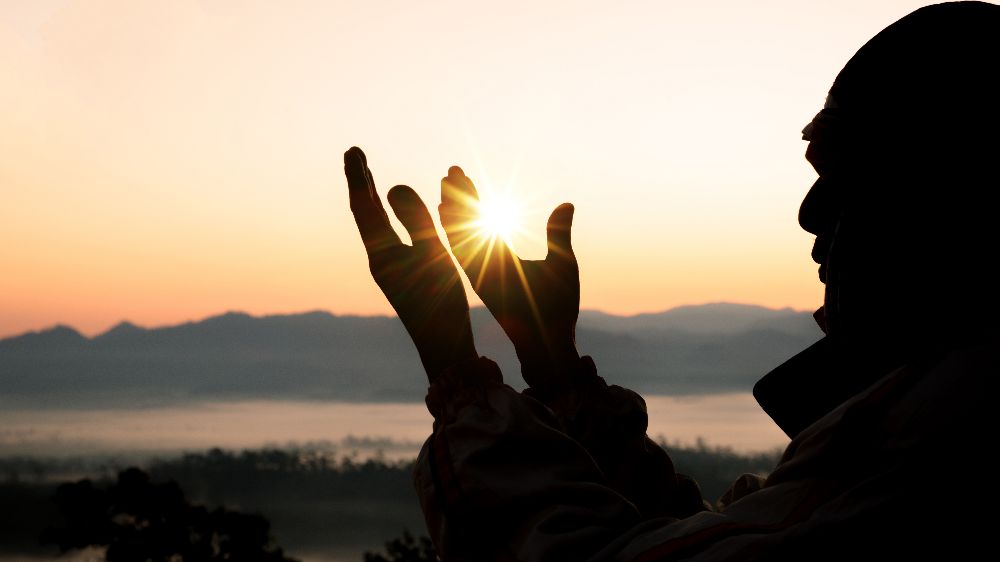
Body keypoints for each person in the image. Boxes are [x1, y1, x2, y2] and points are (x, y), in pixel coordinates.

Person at [344, 3, 999, 560]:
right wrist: (551, 360)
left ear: (952, 196)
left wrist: (456, 374)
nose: (810, 213)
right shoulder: (912, 417)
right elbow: (697, 538)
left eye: (851, 174)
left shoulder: (939, 438)